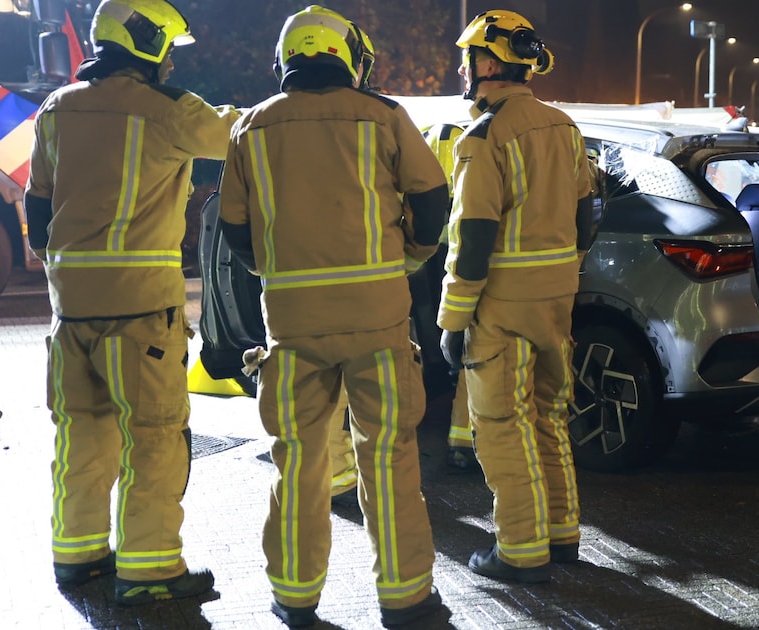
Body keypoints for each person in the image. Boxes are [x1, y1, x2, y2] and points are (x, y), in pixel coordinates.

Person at [217, 6, 448, 627]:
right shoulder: (384, 116)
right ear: (349, 56)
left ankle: (294, 596)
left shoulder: (250, 128)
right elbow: (431, 202)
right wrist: (409, 257)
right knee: (390, 458)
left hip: (291, 328)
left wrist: (279, 270)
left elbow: (235, 230)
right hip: (378, 321)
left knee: (298, 462)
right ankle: (405, 600)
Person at [24, 0, 239, 604]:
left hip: (70, 311)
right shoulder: (166, 110)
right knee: (155, 436)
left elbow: (37, 208)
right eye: (168, 47)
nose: (171, 60)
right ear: (146, 43)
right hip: (141, 310)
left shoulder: (56, 109)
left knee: (82, 436)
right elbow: (240, 136)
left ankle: (79, 557)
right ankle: (149, 572)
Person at [438, 9, 594, 582]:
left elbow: (472, 238)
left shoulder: (484, 137)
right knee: (550, 415)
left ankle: (520, 551)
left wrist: (452, 318)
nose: (464, 70)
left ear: (487, 62)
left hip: (502, 305)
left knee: (503, 423)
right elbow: (586, 212)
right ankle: (562, 534)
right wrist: (564, 271)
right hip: (557, 299)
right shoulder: (564, 127)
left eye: (469, 59)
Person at [420, 122, 480, 471]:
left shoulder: (422, 206)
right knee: (470, 362)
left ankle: (460, 443)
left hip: (434, 275)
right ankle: (464, 444)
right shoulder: (474, 165)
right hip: (463, 276)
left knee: (462, 363)